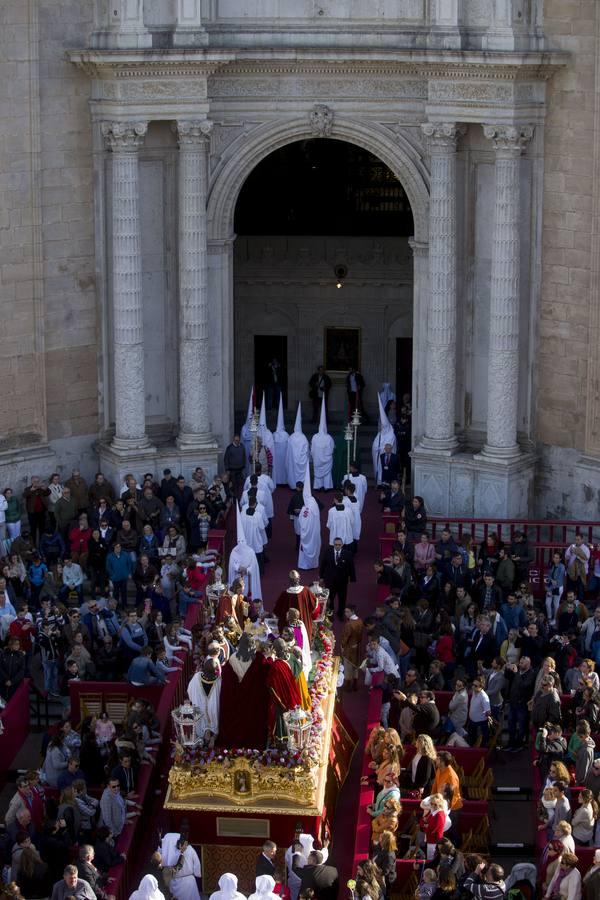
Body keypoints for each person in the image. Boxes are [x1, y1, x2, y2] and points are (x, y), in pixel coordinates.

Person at [274, 570, 319, 642]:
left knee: (295, 643)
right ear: (299, 579)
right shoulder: (306, 591)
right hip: (303, 624)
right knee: (301, 643)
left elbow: (277, 611)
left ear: (289, 580)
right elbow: (314, 605)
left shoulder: (285, 594)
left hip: (289, 628)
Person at [187, 657, 221, 747]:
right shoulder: (218, 681)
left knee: (201, 722)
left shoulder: (197, 676)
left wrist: (196, 699)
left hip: (199, 709)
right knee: (214, 723)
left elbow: (189, 691)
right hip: (213, 710)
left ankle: (204, 734)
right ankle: (213, 736)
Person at [319, 538, 356, 620]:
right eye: (336, 544)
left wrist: (352, 578)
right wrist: (321, 577)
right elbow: (323, 565)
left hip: (342, 581)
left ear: (342, 545)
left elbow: (351, 567)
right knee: (330, 598)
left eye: (339, 544)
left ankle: (340, 613)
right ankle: (330, 613)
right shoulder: (327, 553)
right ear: (333, 544)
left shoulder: (347, 554)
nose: (337, 546)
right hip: (330, 581)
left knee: (342, 598)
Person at [159, 833, 201, 900]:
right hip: (187, 882)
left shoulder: (165, 851)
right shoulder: (189, 849)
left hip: (174, 882)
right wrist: (197, 873)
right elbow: (196, 863)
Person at [298, 463, 321, 571]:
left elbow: (301, 521)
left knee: (305, 548)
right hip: (313, 532)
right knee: (314, 546)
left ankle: (305, 565)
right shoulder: (314, 503)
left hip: (307, 534)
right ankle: (313, 563)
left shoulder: (305, 508)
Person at [311, 397, 334, 491]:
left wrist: (316, 456)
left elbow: (312, 450)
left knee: (318, 473)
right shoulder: (329, 438)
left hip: (317, 460)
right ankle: (326, 486)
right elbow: (331, 449)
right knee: (327, 474)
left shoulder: (315, 437)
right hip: (326, 460)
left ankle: (318, 486)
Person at [372, 396, 396, 484]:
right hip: (379, 457)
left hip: (387, 458)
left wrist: (381, 448)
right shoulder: (380, 434)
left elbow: (390, 446)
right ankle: (379, 482)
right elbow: (375, 445)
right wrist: (377, 449)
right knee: (379, 469)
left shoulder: (391, 433)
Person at [286, 403, 310, 490]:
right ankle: (301, 486)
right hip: (301, 462)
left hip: (292, 462)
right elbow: (306, 451)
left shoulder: (291, 437)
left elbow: (288, 452)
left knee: (292, 472)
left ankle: (293, 485)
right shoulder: (304, 438)